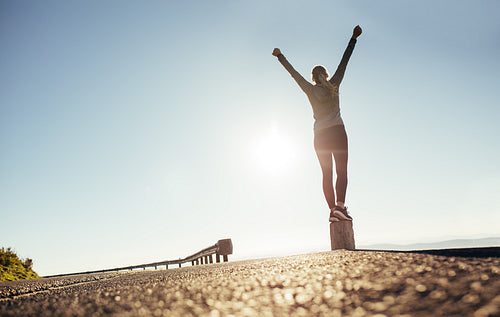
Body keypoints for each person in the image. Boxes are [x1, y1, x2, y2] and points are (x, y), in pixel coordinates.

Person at [272, 25, 362, 223]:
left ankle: (333, 212)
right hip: (338, 132)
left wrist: (280, 56)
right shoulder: (335, 84)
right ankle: (340, 207)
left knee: (326, 174)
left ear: (312, 78)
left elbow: (293, 73)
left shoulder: (310, 89)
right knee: (342, 171)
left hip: (320, 136)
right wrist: (353, 37)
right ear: (327, 75)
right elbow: (344, 61)